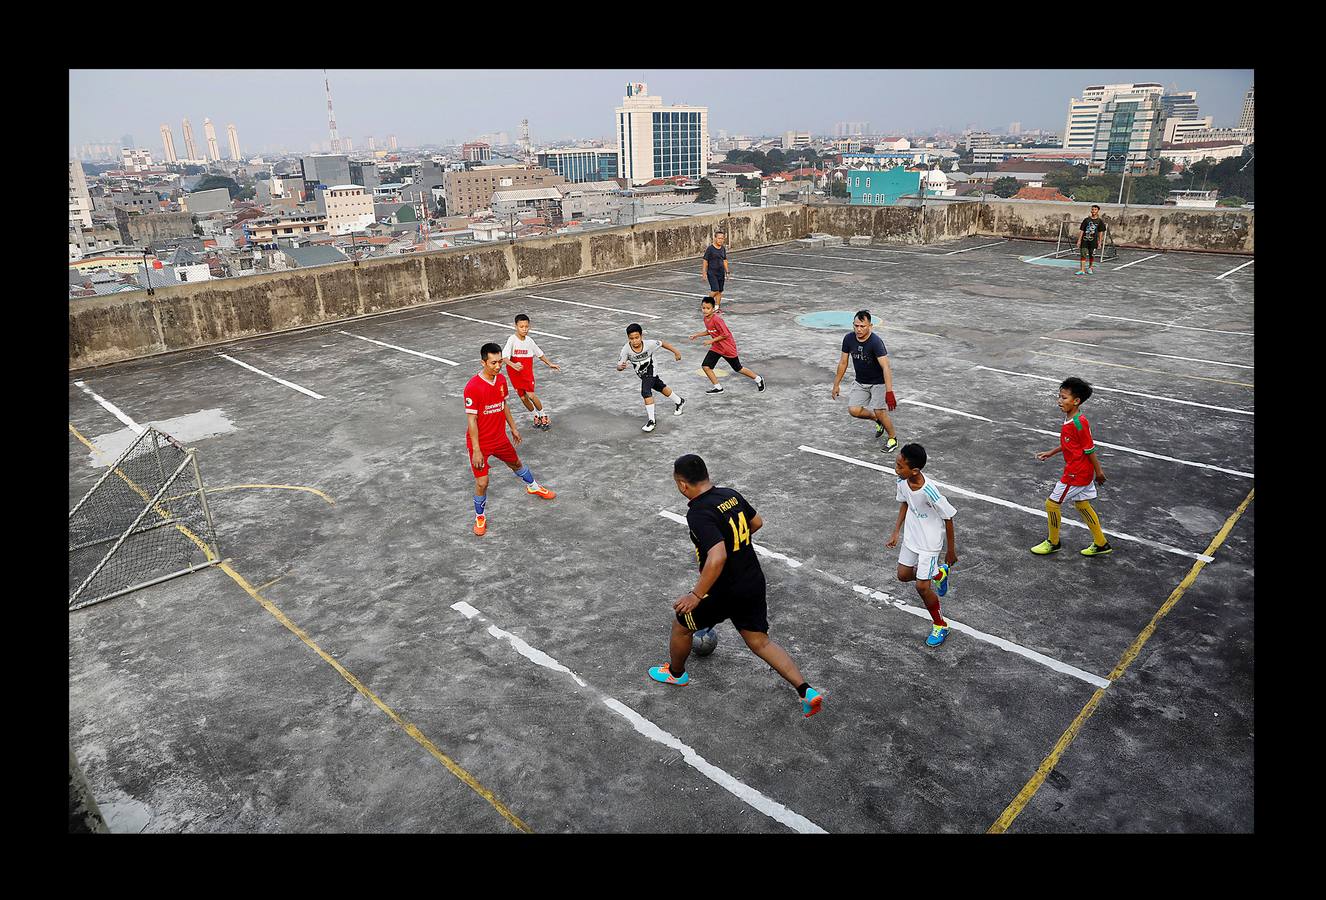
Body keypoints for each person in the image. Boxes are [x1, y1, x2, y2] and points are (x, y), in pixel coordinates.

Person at [648, 454, 823, 718]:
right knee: (760, 643)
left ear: (683, 485)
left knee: (681, 625)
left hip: (722, 590)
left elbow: (717, 556)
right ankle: (805, 690)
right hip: (751, 580)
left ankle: (676, 673)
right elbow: (756, 522)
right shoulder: (730, 494)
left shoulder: (698, 512)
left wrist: (696, 595)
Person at [464, 342, 556, 536]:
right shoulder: (472, 387)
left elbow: (503, 405)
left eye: (500, 362)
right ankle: (480, 517)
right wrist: (477, 450)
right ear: (483, 363)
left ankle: (533, 487)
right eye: (493, 363)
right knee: (482, 483)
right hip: (480, 443)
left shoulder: (501, 381)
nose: (498, 366)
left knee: (516, 463)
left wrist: (513, 428)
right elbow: (471, 420)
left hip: (500, 438)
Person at [885, 443, 958, 647]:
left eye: (900, 466)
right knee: (903, 575)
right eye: (896, 464)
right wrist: (896, 531)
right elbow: (905, 503)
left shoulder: (930, 491)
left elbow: (949, 517)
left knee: (922, 587)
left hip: (929, 543)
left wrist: (950, 552)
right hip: (912, 537)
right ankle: (938, 574)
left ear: (915, 470)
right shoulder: (902, 481)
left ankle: (940, 625)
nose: (896, 469)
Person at [1031, 376, 1111, 556]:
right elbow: (1072, 444)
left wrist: (1099, 472)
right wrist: (1051, 452)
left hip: (1076, 472)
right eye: (1059, 396)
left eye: (1064, 398)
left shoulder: (1078, 422)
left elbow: (1089, 449)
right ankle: (1101, 543)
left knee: (1051, 504)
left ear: (1076, 401)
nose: (1059, 401)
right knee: (1082, 505)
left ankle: (1053, 542)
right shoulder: (1071, 419)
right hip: (1081, 471)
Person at [831, 309, 899, 452]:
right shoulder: (848, 339)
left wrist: (889, 392)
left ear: (870, 326)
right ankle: (876, 419)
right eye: (856, 326)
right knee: (854, 410)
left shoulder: (875, 342)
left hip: (878, 382)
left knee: (880, 410)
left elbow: (886, 367)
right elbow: (843, 362)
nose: (859, 329)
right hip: (861, 381)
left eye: (862, 326)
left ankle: (893, 438)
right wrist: (836, 384)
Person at [617, 323, 686, 432]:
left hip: (651, 369)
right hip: (641, 373)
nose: (635, 341)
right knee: (659, 386)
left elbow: (663, 343)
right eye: (632, 339)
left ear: (641, 336)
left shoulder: (649, 344)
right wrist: (621, 367)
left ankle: (651, 421)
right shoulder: (626, 349)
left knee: (645, 391)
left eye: (637, 338)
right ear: (628, 338)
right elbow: (619, 367)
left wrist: (676, 352)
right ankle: (679, 401)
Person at [690, 297, 765, 394]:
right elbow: (711, 330)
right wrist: (697, 335)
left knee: (738, 368)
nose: (705, 310)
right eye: (703, 308)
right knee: (706, 366)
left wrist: (711, 341)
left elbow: (725, 334)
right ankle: (718, 388)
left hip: (727, 348)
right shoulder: (706, 319)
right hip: (717, 347)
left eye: (708, 308)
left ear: (713, 309)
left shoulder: (717, 319)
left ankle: (758, 379)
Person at [502, 314, 560, 430]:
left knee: (531, 395)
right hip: (515, 376)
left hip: (527, 375)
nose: (524, 329)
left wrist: (549, 363)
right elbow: (504, 358)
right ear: (516, 327)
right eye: (521, 326)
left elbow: (539, 353)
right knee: (523, 398)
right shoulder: (512, 340)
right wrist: (513, 365)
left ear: (529, 326)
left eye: (526, 326)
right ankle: (535, 415)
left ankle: (543, 415)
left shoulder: (529, 341)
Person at [1076, 205, 1107, 276]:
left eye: (1095, 209)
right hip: (1085, 240)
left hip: (1093, 241)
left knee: (1091, 255)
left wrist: (1099, 242)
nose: (1093, 211)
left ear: (1098, 211)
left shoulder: (1100, 221)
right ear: (1091, 211)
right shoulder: (1086, 220)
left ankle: (1090, 268)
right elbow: (1082, 230)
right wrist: (1079, 240)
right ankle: (1082, 270)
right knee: (1083, 254)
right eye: (1092, 209)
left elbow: (1101, 232)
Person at [701, 230, 729, 308]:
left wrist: (727, 272)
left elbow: (725, 260)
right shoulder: (710, 249)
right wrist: (704, 273)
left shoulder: (723, 248)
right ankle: (706, 303)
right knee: (715, 290)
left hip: (721, 273)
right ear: (715, 238)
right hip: (712, 273)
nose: (720, 240)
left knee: (720, 291)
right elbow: (705, 261)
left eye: (722, 238)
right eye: (719, 238)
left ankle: (717, 307)